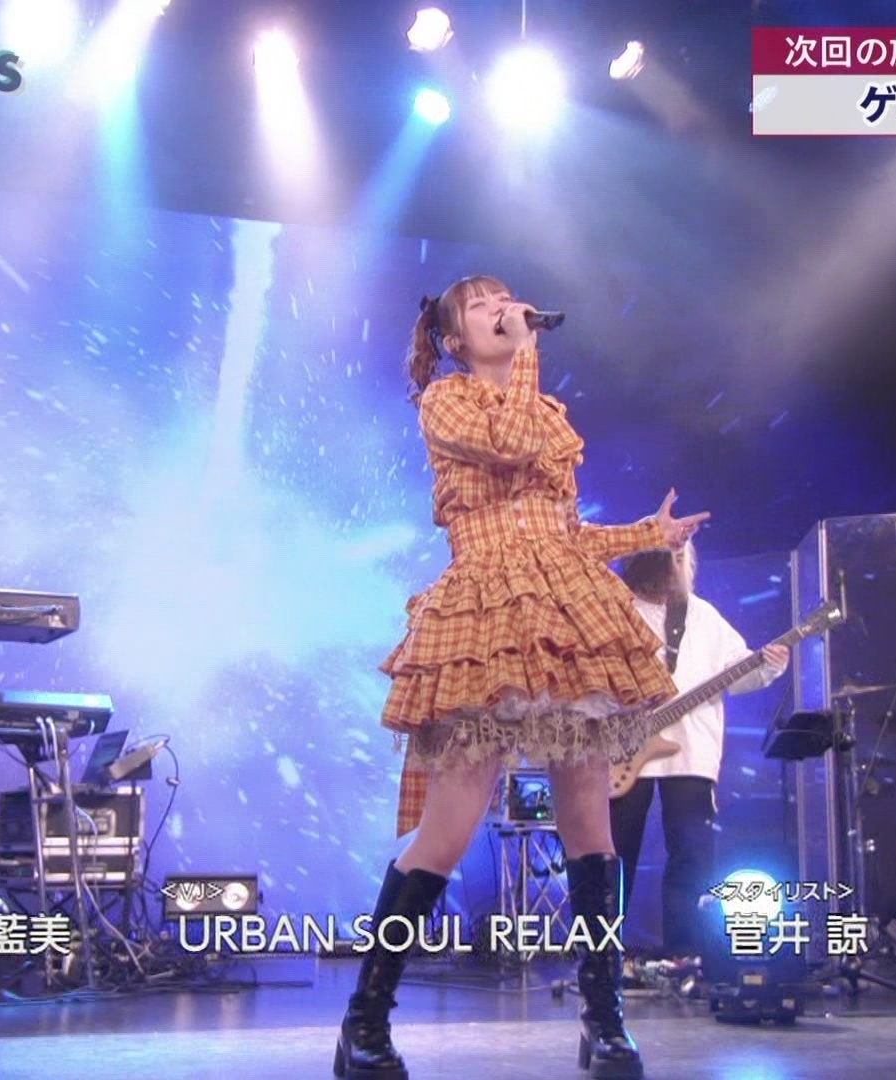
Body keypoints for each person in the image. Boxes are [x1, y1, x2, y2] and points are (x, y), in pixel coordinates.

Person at [337, 277, 705, 1080]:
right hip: (483, 614)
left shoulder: (545, 411)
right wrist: (526, 353)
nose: (503, 309)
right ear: (455, 339)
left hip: (565, 611)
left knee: (590, 824)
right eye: (483, 305)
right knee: (449, 826)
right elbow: (506, 443)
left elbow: (563, 532)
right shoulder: (447, 399)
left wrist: (648, 533)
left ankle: (604, 1019)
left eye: (507, 297)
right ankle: (365, 1019)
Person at [609, 543, 787, 963]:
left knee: (692, 851)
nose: (679, 566)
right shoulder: (616, 610)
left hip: (691, 752)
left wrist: (770, 664)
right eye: (671, 556)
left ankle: (684, 951)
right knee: (616, 852)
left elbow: (738, 673)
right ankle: (603, 949)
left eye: (683, 558)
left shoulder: (704, 616)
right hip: (625, 748)